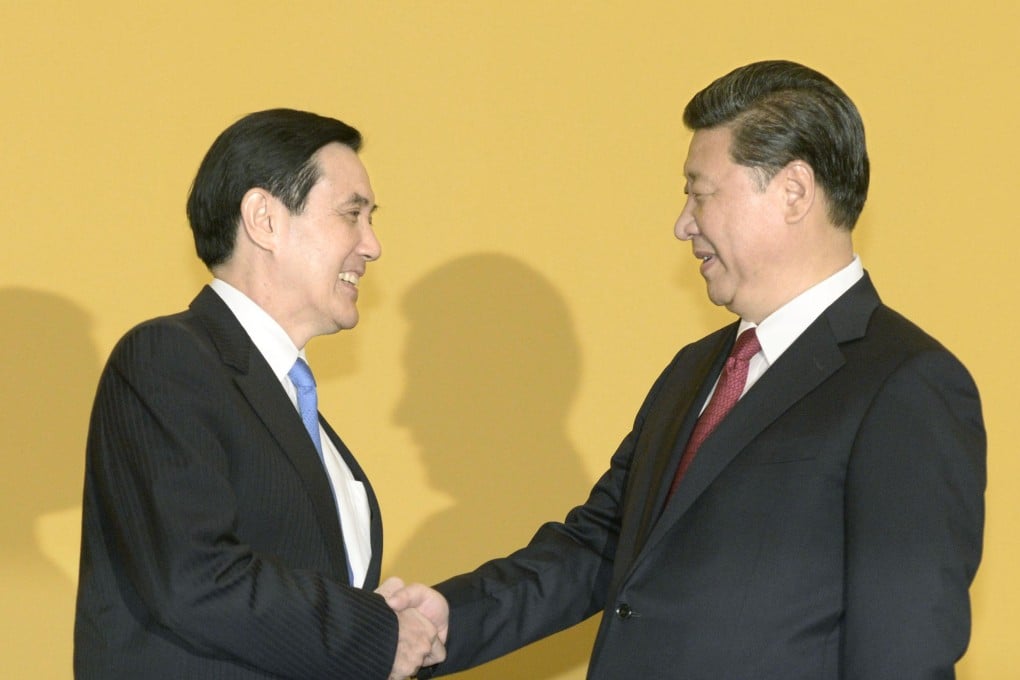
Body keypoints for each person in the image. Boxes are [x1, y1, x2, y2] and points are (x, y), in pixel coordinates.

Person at [406, 60, 986, 679]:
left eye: (700, 192)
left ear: (793, 191)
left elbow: (904, 653)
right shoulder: (696, 369)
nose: (683, 223)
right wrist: (443, 620)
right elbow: (602, 545)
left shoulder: (906, 384)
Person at [74, 108, 447, 680]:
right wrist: (376, 631)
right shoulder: (166, 359)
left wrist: (385, 622)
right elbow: (194, 576)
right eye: (353, 214)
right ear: (264, 219)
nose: (372, 246)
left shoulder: (298, 415)